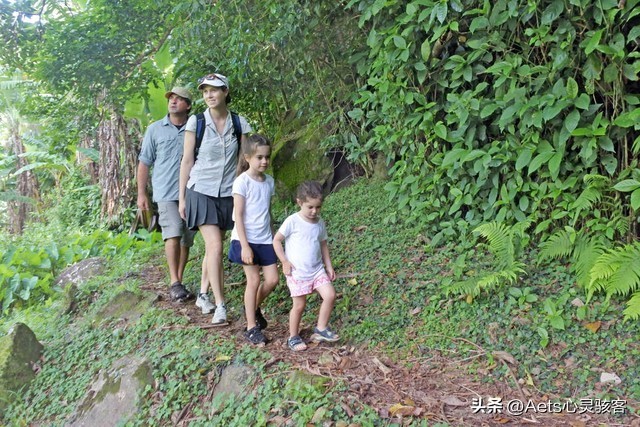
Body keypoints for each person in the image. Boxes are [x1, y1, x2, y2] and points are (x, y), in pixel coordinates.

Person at [178, 73, 252, 324]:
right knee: (216, 246)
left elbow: (244, 161)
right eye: (205, 91)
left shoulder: (239, 123)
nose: (209, 95)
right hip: (200, 189)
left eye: (214, 90)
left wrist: (244, 192)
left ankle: (202, 294)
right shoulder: (196, 122)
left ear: (225, 92)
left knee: (214, 247)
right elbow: (187, 160)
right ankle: (220, 305)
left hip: (228, 192)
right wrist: (182, 198)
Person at [137, 87, 197, 302]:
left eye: (179, 99)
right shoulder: (155, 129)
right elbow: (144, 162)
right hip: (165, 191)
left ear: (188, 105)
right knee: (173, 232)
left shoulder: (196, 127)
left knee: (186, 238)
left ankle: (179, 281)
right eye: (171, 98)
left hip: (192, 190)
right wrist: (141, 193)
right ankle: (174, 282)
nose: (173, 101)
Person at [273, 181, 339, 351]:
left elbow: (323, 244)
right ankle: (293, 337)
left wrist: (329, 266)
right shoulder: (292, 221)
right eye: (310, 207)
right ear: (299, 202)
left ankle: (321, 328)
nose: (314, 211)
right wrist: (284, 261)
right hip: (297, 272)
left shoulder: (319, 222)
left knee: (330, 295)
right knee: (299, 305)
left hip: (317, 270)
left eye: (318, 207)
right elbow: (277, 240)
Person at [228, 134, 279, 345]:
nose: (264, 161)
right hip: (245, 239)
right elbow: (238, 216)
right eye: (259, 157)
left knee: (273, 280)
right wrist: (245, 246)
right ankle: (251, 327)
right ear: (247, 157)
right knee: (254, 280)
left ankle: (252, 307)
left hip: (265, 239)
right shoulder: (242, 182)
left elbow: (267, 212)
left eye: (267, 157)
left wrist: (274, 238)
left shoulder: (269, 182)